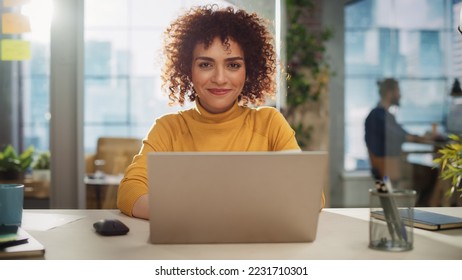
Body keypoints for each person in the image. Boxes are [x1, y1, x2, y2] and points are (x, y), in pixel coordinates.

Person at [117, 5, 303, 219]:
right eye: (206, 64)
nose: (220, 78)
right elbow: (130, 191)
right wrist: (196, 214)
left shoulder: (269, 123)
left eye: (233, 65)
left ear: (248, 70)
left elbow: (310, 195)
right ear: (188, 69)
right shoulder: (168, 129)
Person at [364, 78, 438, 181]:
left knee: (431, 172)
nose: (400, 95)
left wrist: (423, 138)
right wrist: (425, 139)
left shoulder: (385, 115)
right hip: (388, 168)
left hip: (389, 166)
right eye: (398, 91)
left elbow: (402, 134)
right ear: (390, 93)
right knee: (434, 174)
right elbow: (401, 136)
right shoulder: (378, 116)